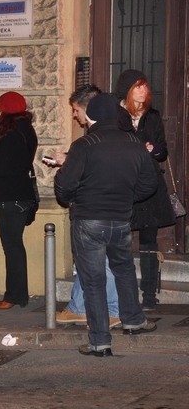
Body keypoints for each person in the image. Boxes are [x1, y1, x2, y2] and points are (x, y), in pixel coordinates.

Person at [54, 93, 159, 356]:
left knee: (93, 280)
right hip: (120, 219)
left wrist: (69, 188)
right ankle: (134, 320)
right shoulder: (134, 144)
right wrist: (126, 197)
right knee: (123, 270)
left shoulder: (84, 145)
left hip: (89, 220)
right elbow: (150, 184)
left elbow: (65, 187)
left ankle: (100, 340)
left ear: (90, 116)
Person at [48, 84, 121, 328]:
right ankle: (78, 307)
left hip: (97, 211)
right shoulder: (111, 135)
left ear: (89, 109)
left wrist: (67, 165)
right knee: (87, 261)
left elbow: (95, 171)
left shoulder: (95, 139)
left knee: (103, 263)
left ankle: (112, 310)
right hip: (106, 210)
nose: (74, 115)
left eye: (76, 109)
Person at [115, 70, 175, 310]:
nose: (144, 91)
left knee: (149, 240)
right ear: (127, 90)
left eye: (145, 86)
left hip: (149, 185)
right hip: (123, 185)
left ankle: (149, 293)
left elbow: (163, 151)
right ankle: (123, 293)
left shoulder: (152, 116)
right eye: (138, 87)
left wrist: (153, 149)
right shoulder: (115, 115)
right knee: (121, 239)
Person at [0, 92, 38, 310]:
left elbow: (1, 168)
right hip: (22, 194)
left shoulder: (11, 134)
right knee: (16, 246)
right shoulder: (27, 130)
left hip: (10, 196)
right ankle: (19, 295)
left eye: (0, 109)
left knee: (13, 248)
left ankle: (14, 295)